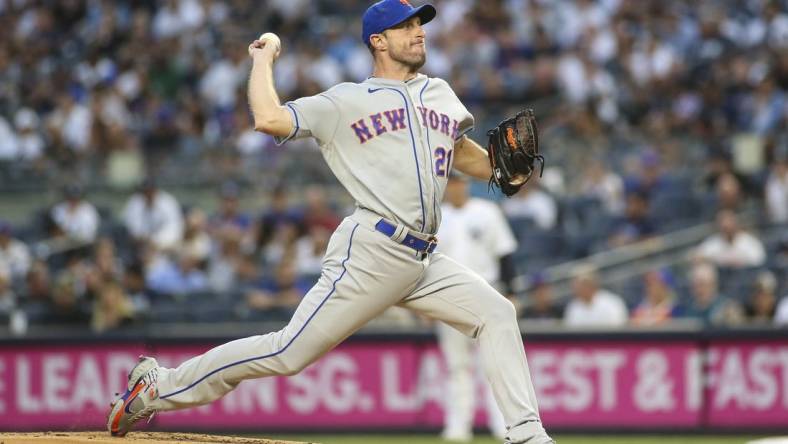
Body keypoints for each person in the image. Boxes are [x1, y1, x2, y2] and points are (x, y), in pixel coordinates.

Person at [107, 2, 554, 443]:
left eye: (420, 24)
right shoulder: (345, 101)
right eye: (406, 27)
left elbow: (459, 152)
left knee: (497, 313)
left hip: (424, 258)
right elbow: (268, 118)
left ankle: (527, 434)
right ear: (378, 41)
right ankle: (158, 387)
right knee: (286, 352)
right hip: (371, 251)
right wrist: (263, 61)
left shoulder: (439, 93)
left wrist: (499, 166)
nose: (418, 32)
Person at [435, 172, 517, 442]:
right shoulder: (436, 217)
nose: (457, 187)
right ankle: (458, 427)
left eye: (460, 182)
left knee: (494, 364)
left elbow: (505, 254)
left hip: (487, 291)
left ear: (467, 185)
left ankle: (503, 425)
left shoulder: (487, 212)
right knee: (457, 365)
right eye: (452, 183)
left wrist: (511, 292)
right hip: (448, 297)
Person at [563, 265, 628, 327]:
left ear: (591, 283)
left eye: (582, 284)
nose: (577, 287)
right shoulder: (573, 306)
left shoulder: (611, 302)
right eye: (575, 284)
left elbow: (618, 331)